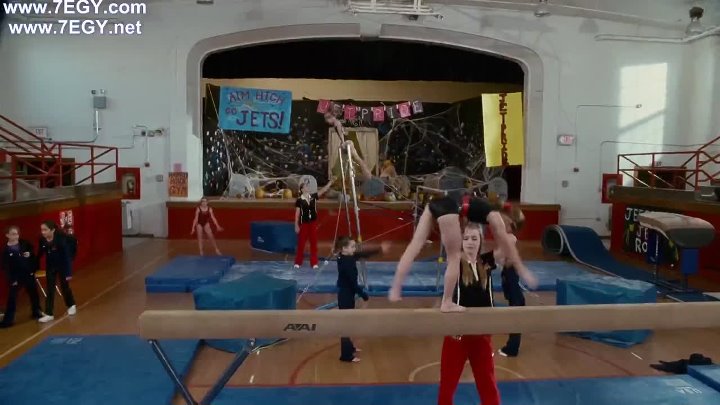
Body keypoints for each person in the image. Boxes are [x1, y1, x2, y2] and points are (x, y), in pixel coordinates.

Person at [389, 195, 537, 312]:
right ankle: (447, 302)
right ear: (509, 219)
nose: (507, 230)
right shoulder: (495, 217)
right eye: (510, 228)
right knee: (454, 257)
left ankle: (395, 289)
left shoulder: (486, 209)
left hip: (435, 203)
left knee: (415, 245)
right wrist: (523, 271)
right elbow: (508, 247)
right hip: (450, 208)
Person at [438, 222, 502, 405]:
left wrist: (493, 219)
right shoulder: (456, 262)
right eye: (466, 238)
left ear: (481, 241)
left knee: (487, 382)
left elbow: (511, 242)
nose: (470, 242)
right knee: (448, 383)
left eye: (474, 238)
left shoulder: (485, 262)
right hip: (457, 333)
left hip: (482, 333)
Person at [334, 236, 390, 363]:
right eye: (352, 246)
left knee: (348, 323)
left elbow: (363, 254)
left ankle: (349, 348)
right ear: (344, 248)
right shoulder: (346, 262)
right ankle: (346, 355)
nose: (355, 249)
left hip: (347, 293)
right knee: (345, 325)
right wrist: (364, 295)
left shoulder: (346, 256)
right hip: (345, 295)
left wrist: (380, 249)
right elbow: (353, 284)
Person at [0, 226, 43, 328]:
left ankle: (36, 312)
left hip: (28, 274)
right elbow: (6, 267)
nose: (16, 236)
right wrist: (12, 279)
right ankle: (8, 320)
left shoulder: (24, 243)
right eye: (13, 234)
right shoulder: (5, 250)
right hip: (16, 277)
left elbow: (32, 251)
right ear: (7, 235)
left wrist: (29, 254)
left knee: (34, 294)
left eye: (17, 234)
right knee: (12, 298)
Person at [495, 213, 525, 357]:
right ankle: (513, 345)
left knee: (515, 313)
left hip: (511, 278)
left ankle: (512, 348)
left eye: (504, 223)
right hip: (509, 277)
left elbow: (501, 256)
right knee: (515, 309)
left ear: (511, 225)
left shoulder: (510, 238)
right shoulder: (507, 237)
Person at [37, 221, 77, 323]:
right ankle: (49, 313)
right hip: (51, 266)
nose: (43, 232)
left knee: (64, 286)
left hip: (62, 265)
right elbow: (40, 253)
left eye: (45, 230)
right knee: (50, 289)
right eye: (42, 230)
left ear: (53, 230)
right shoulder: (42, 240)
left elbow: (67, 257)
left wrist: (68, 273)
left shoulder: (61, 240)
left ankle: (71, 305)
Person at [294, 177, 335, 269]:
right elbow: (297, 213)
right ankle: (298, 262)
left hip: (312, 223)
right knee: (301, 243)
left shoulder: (313, 197)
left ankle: (314, 262)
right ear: (302, 189)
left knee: (313, 243)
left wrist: (330, 183)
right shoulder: (299, 200)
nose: (308, 188)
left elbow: (323, 190)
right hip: (304, 224)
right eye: (306, 186)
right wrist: (296, 225)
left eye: (308, 186)